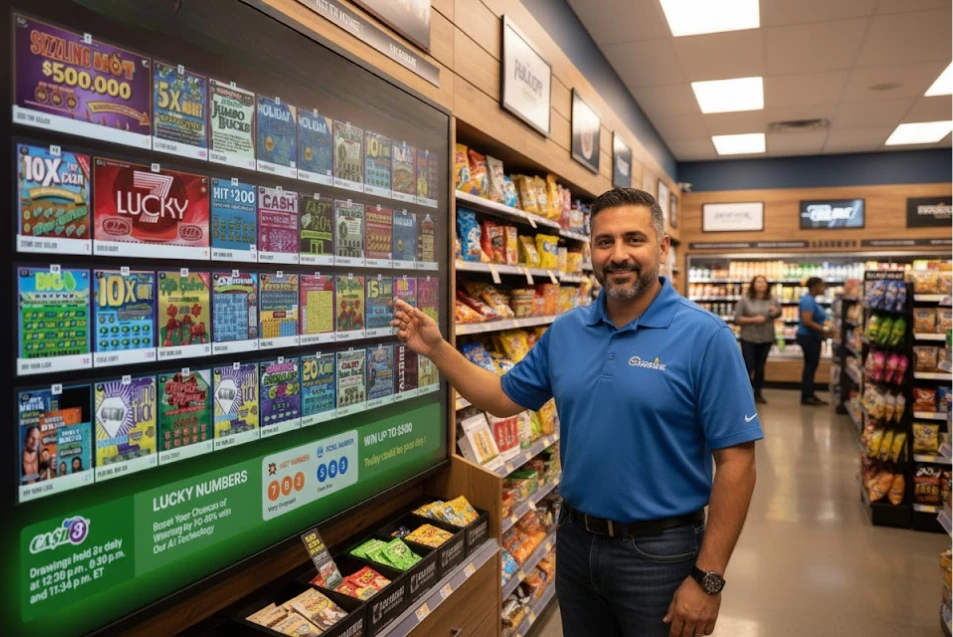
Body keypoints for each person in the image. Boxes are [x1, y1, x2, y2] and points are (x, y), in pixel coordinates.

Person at [393, 188, 762, 637]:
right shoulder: (568, 330)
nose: (618, 254)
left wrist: (708, 577)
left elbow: (737, 462)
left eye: (634, 239)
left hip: (661, 554)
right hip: (574, 542)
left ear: (662, 247)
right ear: (591, 249)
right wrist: (436, 348)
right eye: (604, 241)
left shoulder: (706, 337)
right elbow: (503, 397)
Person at [734, 275, 781, 404]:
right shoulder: (745, 300)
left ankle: (758, 393)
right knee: (748, 366)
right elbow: (737, 319)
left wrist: (775, 311)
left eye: (764, 282)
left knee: (760, 367)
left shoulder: (772, 299)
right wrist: (754, 320)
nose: (762, 285)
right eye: (759, 282)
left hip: (766, 337)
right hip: (749, 337)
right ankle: (745, 393)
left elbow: (779, 312)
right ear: (753, 285)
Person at [796, 276, 831, 406]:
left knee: (811, 366)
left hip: (812, 337)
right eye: (822, 286)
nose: (824, 288)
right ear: (814, 287)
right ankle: (807, 396)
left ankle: (809, 393)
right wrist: (824, 330)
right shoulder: (807, 301)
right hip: (808, 337)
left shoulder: (812, 300)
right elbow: (807, 321)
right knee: (810, 366)